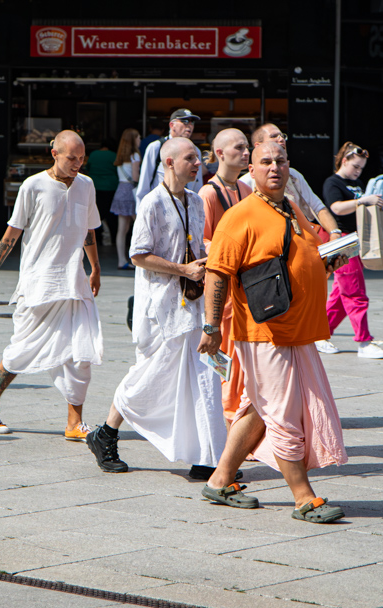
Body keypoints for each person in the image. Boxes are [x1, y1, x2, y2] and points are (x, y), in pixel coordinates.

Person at [199, 141, 349, 523]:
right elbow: (217, 274)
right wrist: (211, 327)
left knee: (262, 409)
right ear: (251, 168)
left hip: (297, 331)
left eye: (280, 161)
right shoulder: (241, 215)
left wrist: (329, 263)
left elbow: (301, 259)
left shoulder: (291, 208)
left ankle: (219, 481)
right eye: (265, 162)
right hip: (265, 332)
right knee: (283, 412)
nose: (274, 168)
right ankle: (303, 497)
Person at [86, 137, 226, 478]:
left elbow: (193, 241)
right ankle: (105, 433)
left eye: (199, 158)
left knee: (202, 377)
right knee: (149, 376)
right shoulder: (151, 203)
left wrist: (211, 253)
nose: (198, 164)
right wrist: (183, 269)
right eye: (190, 158)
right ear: (169, 163)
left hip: (191, 303)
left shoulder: (195, 201)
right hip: (162, 308)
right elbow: (138, 254)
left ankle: (206, 458)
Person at [0, 131, 103, 440]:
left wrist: (96, 266)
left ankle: (74, 422)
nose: (77, 164)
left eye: (81, 158)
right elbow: (12, 233)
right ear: (53, 153)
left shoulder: (86, 185)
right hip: (39, 283)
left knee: (79, 354)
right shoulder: (33, 186)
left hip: (74, 283)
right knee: (22, 348)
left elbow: (89, 230)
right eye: (71, 158)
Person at [315, 142, 383, 359]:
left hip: (353, 239)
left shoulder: (355, 182)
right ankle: (364, 342)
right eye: (355, 166)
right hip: (342, 240)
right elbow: (336, 207)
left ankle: (320, 335)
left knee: (341, 294)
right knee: (354, 291)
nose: (358, 171)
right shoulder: (333, 182)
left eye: (361, 168)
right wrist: (363, 200)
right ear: (344, 160)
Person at [198, 128, 252, 426]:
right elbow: (202, 243)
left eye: (246, 147)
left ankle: (238, 418)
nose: (245, 152)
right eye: (238, 147)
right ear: (220, 153)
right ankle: (228, 421)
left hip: (243, 288)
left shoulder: (245, 189)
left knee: (241, 358)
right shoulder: (209, 192)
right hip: (224, 291)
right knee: (227, 356)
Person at [240, 123, 344, 241]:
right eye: (274, 136)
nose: (281, 139)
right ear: (252, 170)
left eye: (280, 162)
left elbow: (318, 207)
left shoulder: (294, 175)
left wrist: (335, 234)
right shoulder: (244, 184)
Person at [135, 109, 204, 207]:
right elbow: (144, 184)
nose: (189, 125)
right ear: (172, 125)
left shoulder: (196, 150)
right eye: (184, 121)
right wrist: (141, 212)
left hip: (187, 208)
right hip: (160, 208)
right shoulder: (156, 147)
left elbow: (198, 184)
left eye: (192, 122)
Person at [109, 128, 141, 270]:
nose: (140, 140)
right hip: (132, 192)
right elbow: (135, 177)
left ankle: (121, 260)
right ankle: (140, 258)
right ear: (133, 140)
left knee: (122, 230)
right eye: (138, 137)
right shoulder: (135, 155)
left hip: (120, 191)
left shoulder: (120, 156)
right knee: (140, 226)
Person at [86, 140, 119, 247]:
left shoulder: (94, 154)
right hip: (110, 186)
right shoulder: (113, 155)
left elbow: (88, 167)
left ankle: (98, 238)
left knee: (96, 213)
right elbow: (116, 169)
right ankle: (113, 238)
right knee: (111, 215)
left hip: (95, 186)